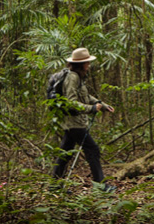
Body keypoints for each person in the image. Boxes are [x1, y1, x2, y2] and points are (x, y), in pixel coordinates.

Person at [50, 47, 116, 192]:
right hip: (74, 123)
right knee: (92, 149)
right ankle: (100, 185)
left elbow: (86, 97)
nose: (89, 65)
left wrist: (102, 105)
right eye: (87, 62)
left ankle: (54, 185)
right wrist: (91, 109)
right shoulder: (73, 77)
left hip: (72, 122)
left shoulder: (78, 76)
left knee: (65, 153)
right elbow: (71, 102)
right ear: (81, 64)